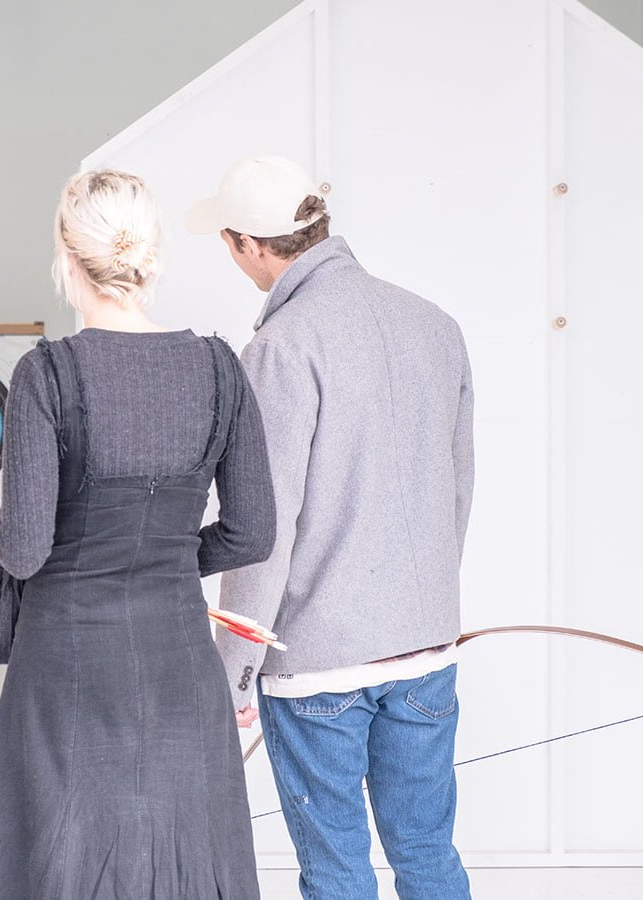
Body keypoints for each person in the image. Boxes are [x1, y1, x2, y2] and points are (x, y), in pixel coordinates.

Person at [0, 170, 277, 899]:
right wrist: (167, 558)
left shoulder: (48, 373)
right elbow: (253, 531)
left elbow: (26, 547)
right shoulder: (217, 368)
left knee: (61, 855)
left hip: (66, 661)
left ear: (65, 258)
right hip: (177, 659)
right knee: (184, 858)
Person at [186, 156, 474, 899]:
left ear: (252, 245)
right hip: (425, 648)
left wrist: (235, 670)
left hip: (319, 664)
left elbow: (262, 527)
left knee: (337, 869)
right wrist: (429, 610)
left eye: (228, 243)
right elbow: (457, 486)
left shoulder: (281, 346)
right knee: (427, 851)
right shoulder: (434, 324)